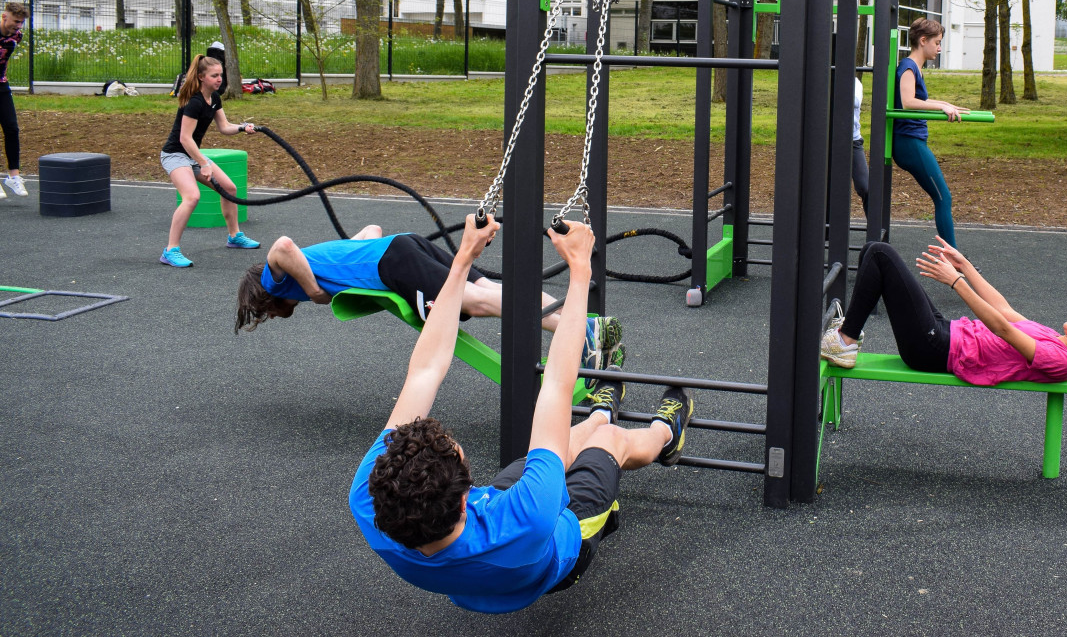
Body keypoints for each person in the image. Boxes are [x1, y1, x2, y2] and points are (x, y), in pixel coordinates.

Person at [349, 217, 694, 614]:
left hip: (479, 563)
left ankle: (601, 413)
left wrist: (462, 260)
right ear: (464, 503)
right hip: (558, 557)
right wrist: (580, 269)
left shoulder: (367, 500)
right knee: (609, 444)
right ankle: (667, 433)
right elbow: (557, 386)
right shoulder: (529, 517)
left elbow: (425, 369)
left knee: (568, 442)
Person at [233, 224, 622, 375]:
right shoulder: (324, 257)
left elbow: (282, 245)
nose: (271, 315)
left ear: (262, 298)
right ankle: (588, 325)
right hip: (404, 244)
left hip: (394, 264)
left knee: (472, 302)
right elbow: (371, 230)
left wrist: (316, 291)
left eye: (263, 313)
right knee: (488, 291)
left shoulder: (275, 280)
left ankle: (582, 332)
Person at [820, 236, 1067, 383]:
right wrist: (966, 266)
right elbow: (1005, 310)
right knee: (871, 253)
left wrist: (956, 282)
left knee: (880, 254)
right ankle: (847, 337)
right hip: (945, 334)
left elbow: (1002, 328)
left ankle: (846, 341)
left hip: (935, 349)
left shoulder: (1061, 361)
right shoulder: (1055, 340)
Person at [159, 53, 260, 267]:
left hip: (192, 153)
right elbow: (184, 139)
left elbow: (224, 127)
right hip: (176, 155)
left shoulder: (214, 98)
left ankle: (234, 236)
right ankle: (170, 250)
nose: (219, 79)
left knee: (229, 188)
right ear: (202, 77)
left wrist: (243, 127)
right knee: (192, 196)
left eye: (220, 75)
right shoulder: (194, 102)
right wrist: (203, 163)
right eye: (214, 75)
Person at [894, 18, 969, 248]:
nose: (939, 47)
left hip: (914, 141)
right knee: (943, 197)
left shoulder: (915, 68)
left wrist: (946, 103)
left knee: (943, 197)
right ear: (922, 40)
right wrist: (940, 107)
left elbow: (921, 99)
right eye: (936, 42)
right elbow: (908, 102)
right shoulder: (908, 67)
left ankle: (952, 258)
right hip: (909, 143)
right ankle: (953, 260)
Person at [0, 1, 28, 200]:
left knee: (11, 128)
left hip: (1, 85)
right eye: (15, 21)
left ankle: (13, 177)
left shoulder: (17, 36)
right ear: (4, 17)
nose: (18, 26)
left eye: (21, 23)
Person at [851, 75, 869, 220]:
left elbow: (854, 102)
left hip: (852, 141)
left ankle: (874, 232)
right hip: (825, 140)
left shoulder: (855, 82)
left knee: (865, 186)